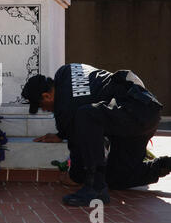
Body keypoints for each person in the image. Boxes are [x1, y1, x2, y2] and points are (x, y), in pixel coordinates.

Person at [22, 63, 171, 207]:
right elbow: (81, 97)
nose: (45, 110)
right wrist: (62, 134)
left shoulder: (66, 111)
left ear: (47, 96)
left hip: (132, 113)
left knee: (86, 115)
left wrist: (73, 177)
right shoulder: (65, 71)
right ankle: (164, 165)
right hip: (146, 110)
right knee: (117, 178)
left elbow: (78, 151)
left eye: (41, 106)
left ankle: (96, 188)